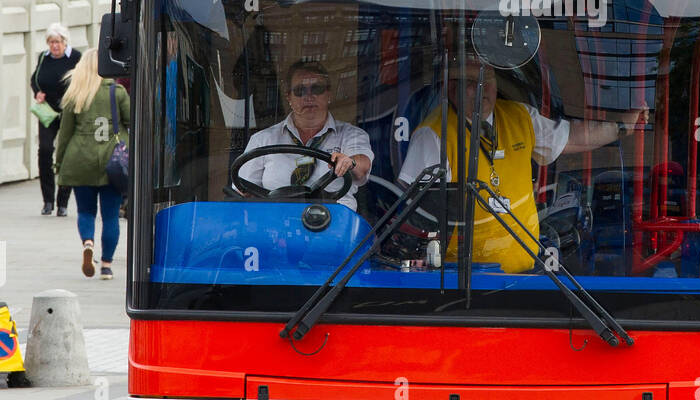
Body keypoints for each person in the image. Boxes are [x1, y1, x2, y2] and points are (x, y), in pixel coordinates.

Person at [398, 55, 647, 273]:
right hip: (465, 281)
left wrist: (623, 127)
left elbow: (573, 136)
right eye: (472, 83)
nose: (483, 89)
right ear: (451, 89)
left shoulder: (520, 117)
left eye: (489, 80)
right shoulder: (433, 134)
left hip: (526, 276)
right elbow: (415, 216)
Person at [235, 61, 373, 211]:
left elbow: (363, 167)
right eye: (300, 90)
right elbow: (242, 192)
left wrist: (349, 162)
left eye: (316, 89)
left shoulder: (351, 135)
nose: (309, 97)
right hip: (276, 224)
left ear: (329, 94)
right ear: (289, 97)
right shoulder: (262, 140)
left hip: (335, 224)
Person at [54, 51, 129, 280]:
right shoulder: (117, 92)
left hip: (80, 161)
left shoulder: (75, 93)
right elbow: (131, 121)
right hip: (112, 162)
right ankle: (106, 265)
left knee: (86, 211)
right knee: (110, 217)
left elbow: (65, 134)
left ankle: (88, 242)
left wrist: (59, 164)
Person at [30, 23, 78, 216]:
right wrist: (37, 92)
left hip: (68, 112)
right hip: (48, 112)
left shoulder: (75, 57)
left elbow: (81, 80)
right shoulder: (44, 57)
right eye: (51, 42)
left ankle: (63, 202)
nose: (54, 46)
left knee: (67, 154)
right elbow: (35, 78)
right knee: (45, 150)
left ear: (64, 42)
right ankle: (48, 200)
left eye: (57, 42)